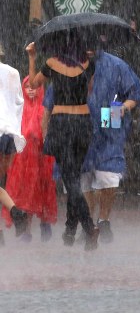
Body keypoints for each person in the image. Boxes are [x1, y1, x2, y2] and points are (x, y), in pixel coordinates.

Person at [26, 38, 99, 250]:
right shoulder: (88, 63)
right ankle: (69, 229)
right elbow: (89, 89)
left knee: (70, 180)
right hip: (83, 124)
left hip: (62, 124)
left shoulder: (51, 63)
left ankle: (89, 228)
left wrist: (32, 57)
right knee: (73, 177)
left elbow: (33, 83)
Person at [77, 43, 140, 243]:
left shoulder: (116, 65)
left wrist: (123, 107)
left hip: (109, 120)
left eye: (91, 42)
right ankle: (89, 225)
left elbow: (135, 94)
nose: (88, 47)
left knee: (109, 175)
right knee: (84, 177)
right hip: (80, 124)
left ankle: (104, 219)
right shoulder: (70, 65)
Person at [2, 77, 57, 242]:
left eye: (34, 87)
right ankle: (26, 229)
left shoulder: (44, 108)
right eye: (27, 87)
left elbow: (46, 132)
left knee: (42, 190)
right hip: (23, 162)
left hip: (42, 160)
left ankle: (44, 221)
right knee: (25, 194)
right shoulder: (20, 109)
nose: (30, 90)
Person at [0, 57, 30, 244]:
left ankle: (16, 212)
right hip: (8, 133)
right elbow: (19, 102)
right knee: (1, 183)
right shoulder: (13, 72)